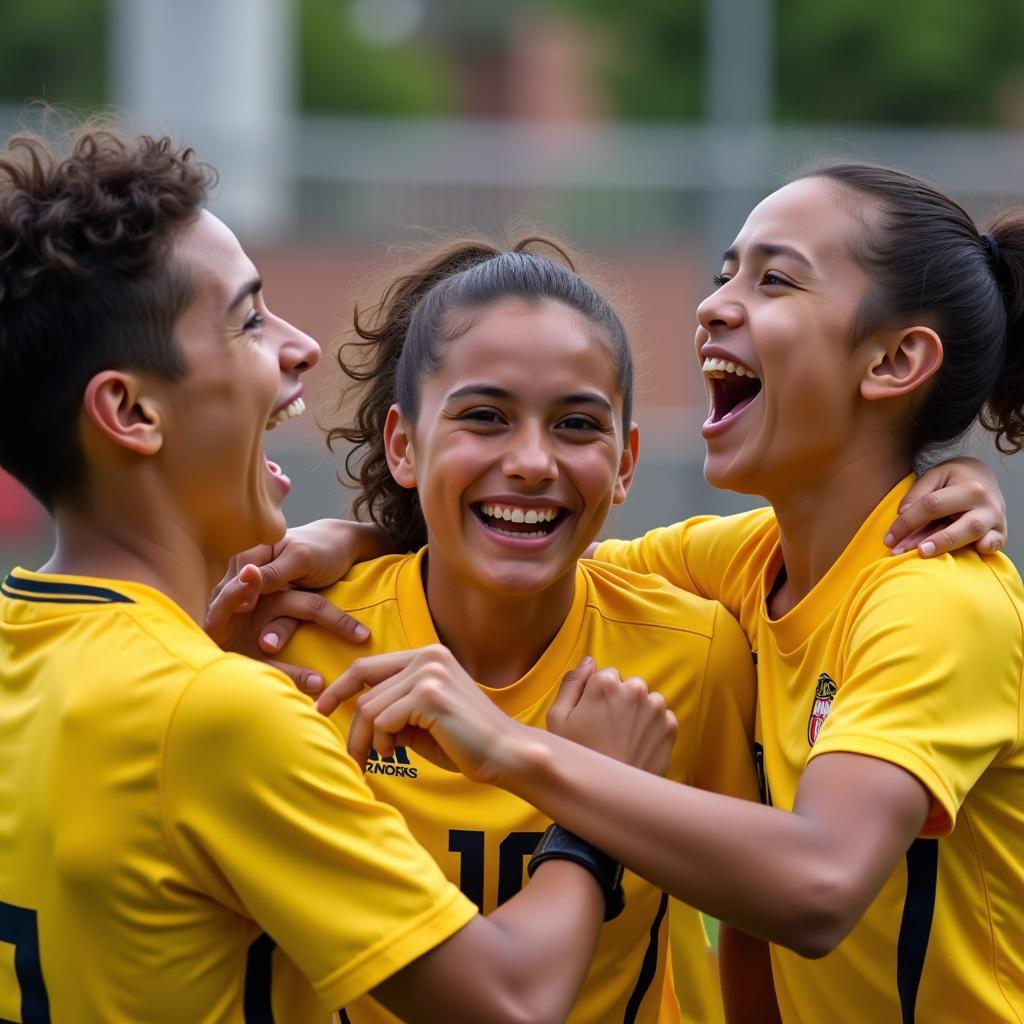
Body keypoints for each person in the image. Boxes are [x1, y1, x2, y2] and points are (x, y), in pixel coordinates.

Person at [251, 164, 1024, 1023]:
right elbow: (540, 539)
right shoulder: (747, 562)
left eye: (773, 279)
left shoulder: (935, 602)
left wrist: (512, 749)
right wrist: (352, 538)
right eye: (724, 271)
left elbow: (816, 886)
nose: (715, 304)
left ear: (896, 360)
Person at [0, 125, 679, 1024]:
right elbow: (507, 1002)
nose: (299, 347)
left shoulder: (38, 654)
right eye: (246, 318)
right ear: (129, 411)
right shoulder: (219, 711)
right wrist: (593, 808)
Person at [219, 239, 770, 1024]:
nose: (533, 461)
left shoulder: (694, 653)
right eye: (485, 416)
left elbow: (757, 918)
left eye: (579, 425)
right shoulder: (296, 645)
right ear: (403, 445)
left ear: (626, 462)